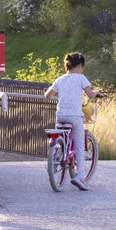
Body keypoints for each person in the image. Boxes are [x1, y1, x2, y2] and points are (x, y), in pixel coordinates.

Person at [44, 52, 100, 190]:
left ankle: (57, 157)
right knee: (80, 146)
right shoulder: (81, 78)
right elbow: (91, 94)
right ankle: (79, 177)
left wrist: (58, 95)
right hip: (75, 116)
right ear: (80, 66)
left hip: (60, 115)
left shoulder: (60, 79)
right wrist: (97, 93)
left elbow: (47, 95)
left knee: (63, 138)